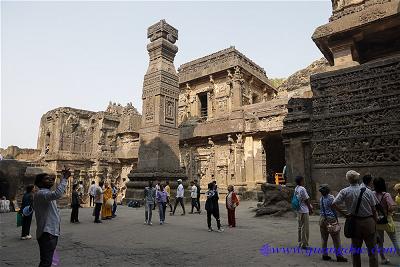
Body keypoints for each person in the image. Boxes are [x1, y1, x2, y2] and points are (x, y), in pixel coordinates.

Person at [332, 170, 378, 267]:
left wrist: (345, 214)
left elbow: (334, 204)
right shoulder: (368, 191)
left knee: (356, 251)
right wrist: (375, 223)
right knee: (372, 251)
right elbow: (374, 210)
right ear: (358, 179)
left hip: (354, 222)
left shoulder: (344, 191)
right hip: (368, 221)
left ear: (348, 179)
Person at [33, 167, 70, 267]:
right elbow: (57, 194)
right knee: (46, 261)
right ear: (39, 183)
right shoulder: (42, 194)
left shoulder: (46, 194)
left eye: (51, 179)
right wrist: (65, 179)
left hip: (50, 231)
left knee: (47, 260)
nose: (50, 180)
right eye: (46, 178)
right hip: (47, 232)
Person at [373, 177, 400, 264]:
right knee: (394, 240)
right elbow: (392, 207)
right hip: (387, 220)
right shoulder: (386, 195)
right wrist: (389, 210)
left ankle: (383, 259)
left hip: (377, 220)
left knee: (380, 242)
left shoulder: (372, 194)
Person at [318, 184, 347, 262]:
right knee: (336, 239)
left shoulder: (321, 199)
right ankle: (339, 256)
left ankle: (324, 254)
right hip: (331, 219)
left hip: (322, 219)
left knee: (324, 238)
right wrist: (343, 215)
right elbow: (335, 207)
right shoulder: (331, 198)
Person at [294, 176, 313, 249]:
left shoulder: (296, 188)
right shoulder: (302, 189)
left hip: (299, 209)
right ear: (301, 181)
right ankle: (304, 244)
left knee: (300, 226)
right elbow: (306, 200)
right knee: (305, 228)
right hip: (304, 210)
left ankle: (300, 242)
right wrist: (310, 208)